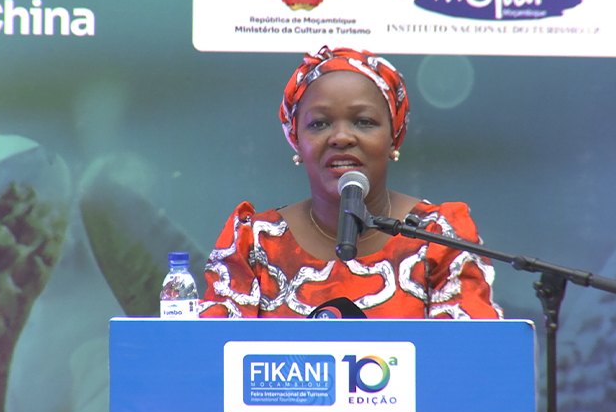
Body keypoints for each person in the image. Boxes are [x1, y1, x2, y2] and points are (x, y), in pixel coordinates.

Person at [199, 46, 503, 319]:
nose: (342, 137)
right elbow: (214, 354)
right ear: (297, 140)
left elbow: (469, 356)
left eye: (364, 122)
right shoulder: (255, 243)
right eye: (319, 123)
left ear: (393, 137)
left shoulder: (438, 237)